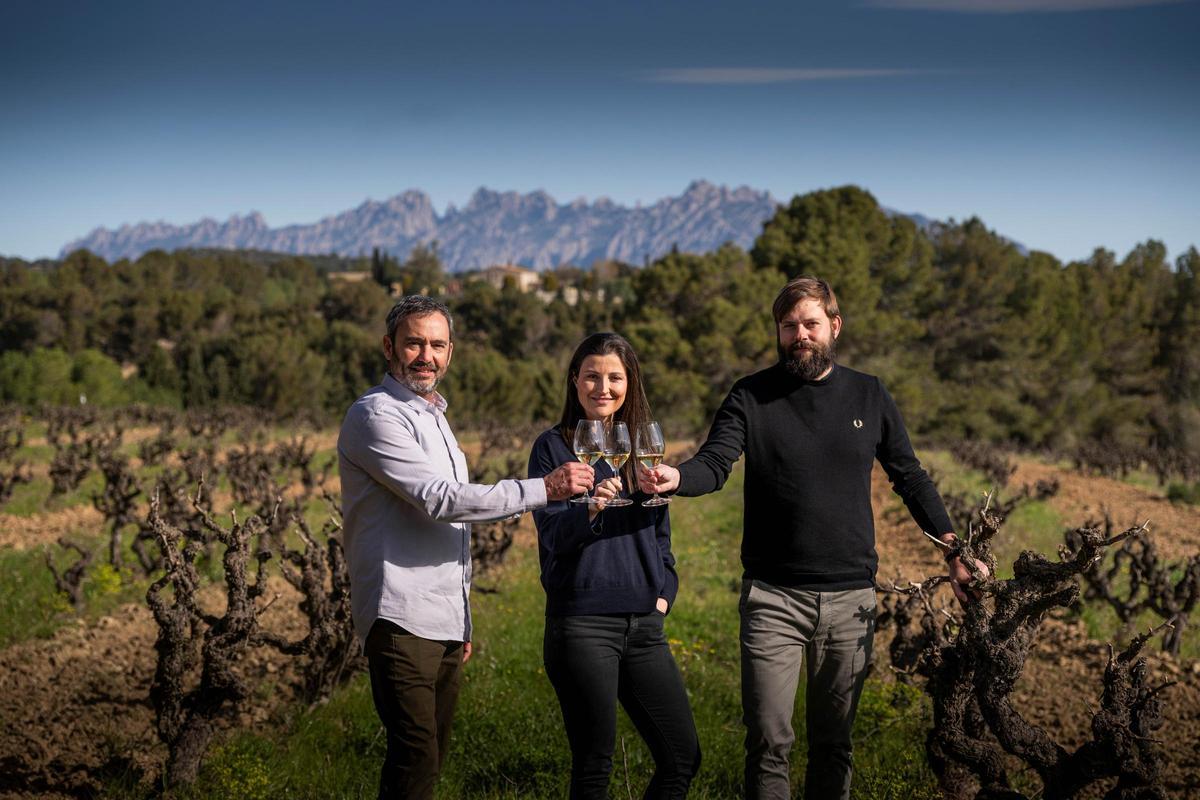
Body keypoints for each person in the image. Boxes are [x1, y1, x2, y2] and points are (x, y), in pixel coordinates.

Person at [639, 277, 982, 800]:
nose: (800, 334)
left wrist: (954, 550)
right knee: (769, 742)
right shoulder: (750, 396)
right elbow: (715, 462)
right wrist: (677, 478)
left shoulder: (869, 393)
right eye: (789, 326)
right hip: (772, 599)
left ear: (834, 326)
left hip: (851, 600)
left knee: (834, 743)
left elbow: (908, 476)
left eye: (810, 324)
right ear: (778, 332)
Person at [337, 295, 594, 800]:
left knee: (429, 761)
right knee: (415, 759)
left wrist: (462, 619)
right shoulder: (374, 415)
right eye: (414, 343)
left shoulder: (437, 419)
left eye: (436, 344)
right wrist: (545, 488)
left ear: (450, 352)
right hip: (400, 615)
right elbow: (440, 501)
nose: (425, 355)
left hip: (443, 620)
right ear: (389, 347)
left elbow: (450, 532)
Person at [528, 332, 701, 799]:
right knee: (594, 767)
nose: (602, 387)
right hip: (582, 626)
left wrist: (664, 592)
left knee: (682, 757)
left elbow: (659, 534)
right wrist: (589, 509)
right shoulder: (552, 448)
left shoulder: (641, 448)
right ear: (574, 381)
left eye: (614, 377)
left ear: (630, 382)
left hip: (645, 624)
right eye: (592, 376)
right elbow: (552, 536)